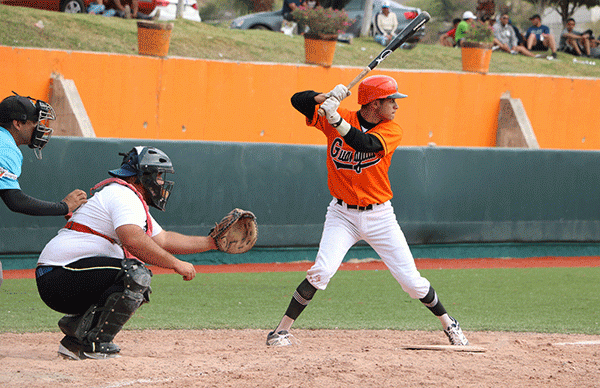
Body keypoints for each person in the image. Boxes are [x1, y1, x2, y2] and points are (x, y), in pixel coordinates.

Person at [265, 76, 470, 348]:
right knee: (321, 271)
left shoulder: (391, 129)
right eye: (391, 100)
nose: (396, 105)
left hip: (379, 216)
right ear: (374, 103)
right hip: (342, 215)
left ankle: (449, 323)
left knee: (411, 282)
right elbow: (296, 101)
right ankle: (280, 331)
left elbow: (365, 144)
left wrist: (335, 119)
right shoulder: (339, 113)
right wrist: (323, 97)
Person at [36, 146, 218, 360]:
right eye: (158, 175)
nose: (162, 182)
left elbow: (165, 239)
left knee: (134, 278)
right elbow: (133, 240)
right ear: (142, 176)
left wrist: (212, 243)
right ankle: (94, 344)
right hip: (60, 274)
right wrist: (175, 264)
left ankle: (75, 341)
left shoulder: (129, 198)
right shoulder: (124, 195)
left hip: (59, 277)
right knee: (135, 276)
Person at [0, 93, 87, 289]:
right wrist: (63, 206)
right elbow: (15, 201)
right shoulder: (5, 147)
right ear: (17, 123)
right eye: (33, 122)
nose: (38, 127)